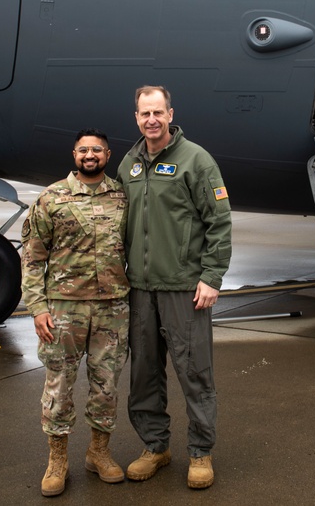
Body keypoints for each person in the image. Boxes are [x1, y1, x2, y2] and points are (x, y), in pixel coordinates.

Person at [117, 85, 232, 490]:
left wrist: (211, 277)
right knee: (144, 375)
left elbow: (219, 221)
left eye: (158, 112)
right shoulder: (129, 164)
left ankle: (201, 453)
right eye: (144, 113)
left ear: (170, 114)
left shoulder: (195, 160)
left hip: (185, 288)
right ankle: (155, 447)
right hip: (141, 290)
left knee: (194, 373)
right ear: (136, 117)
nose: (151, 120)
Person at [21, 128, 130, 497]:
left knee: (107, 386)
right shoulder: (52, 198)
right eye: (83, 149)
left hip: (112, 309)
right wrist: (36, 308)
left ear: (108, 154)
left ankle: (99, 452)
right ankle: (57, 460)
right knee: (59, 386)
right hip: (64, 311)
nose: (90, 155)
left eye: (96, 150)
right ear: (74, 154)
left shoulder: (122, 197)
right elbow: (33, 259)